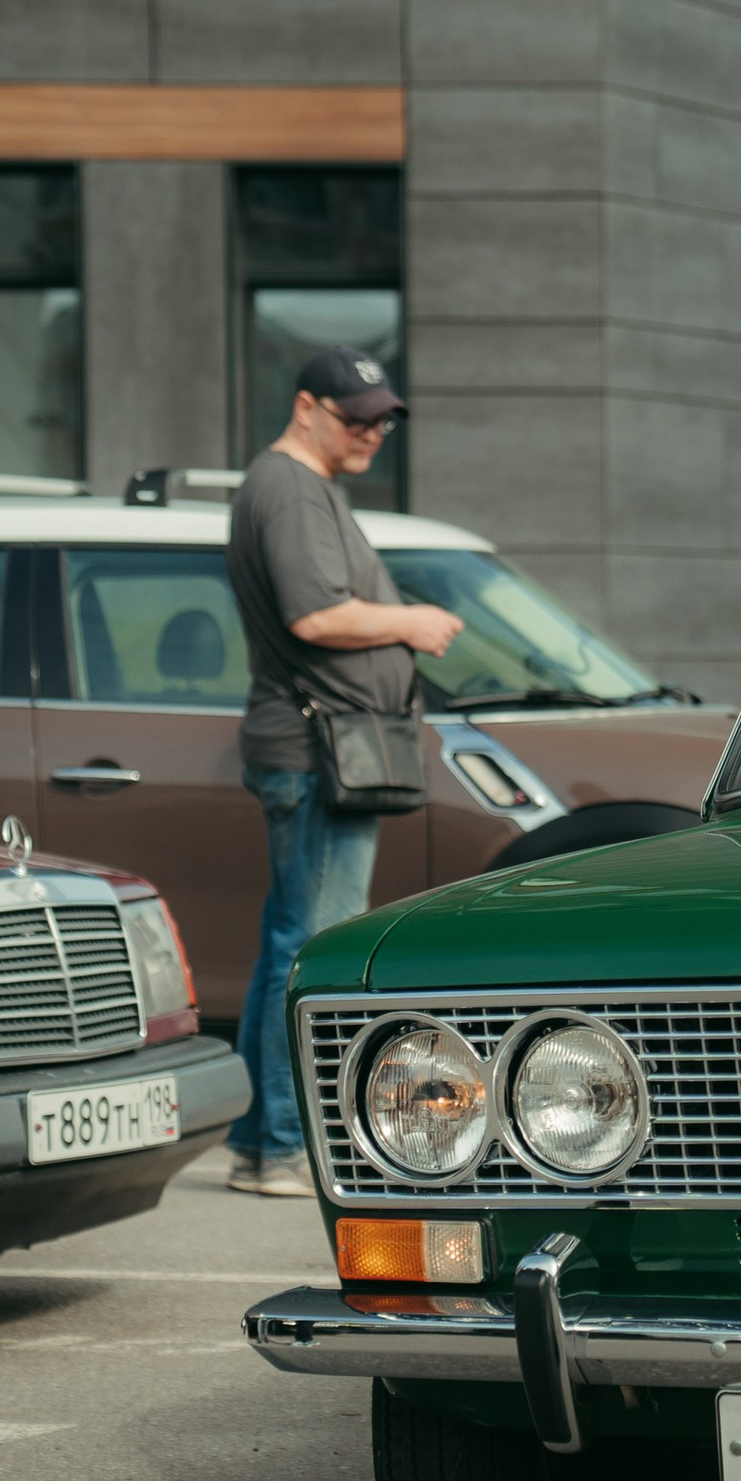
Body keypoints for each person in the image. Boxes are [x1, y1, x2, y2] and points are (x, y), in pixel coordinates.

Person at [223, 348, 465, 1194]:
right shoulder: (289, 487)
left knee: (287, 940)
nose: (371, 432)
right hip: (318, 750)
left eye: (381, 419)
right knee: (312, 951)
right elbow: (316, 613)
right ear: (306, 407)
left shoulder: (298, 484)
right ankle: (285, 1145)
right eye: (355, 416)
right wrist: (414, 621)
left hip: (315, 746)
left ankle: (262, 1138)